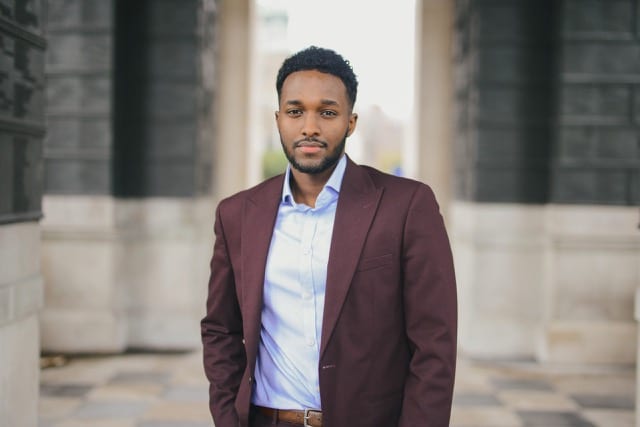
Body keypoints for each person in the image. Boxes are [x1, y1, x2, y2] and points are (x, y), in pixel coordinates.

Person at [201, 46, 457, 427]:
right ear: (277, 120)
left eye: (327, 112)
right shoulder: (237, 214)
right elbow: (221, 328)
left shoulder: (407, 207)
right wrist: (227, 417)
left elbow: (434, 343)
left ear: (351, 122)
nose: (309, 127)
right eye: (295, 111)